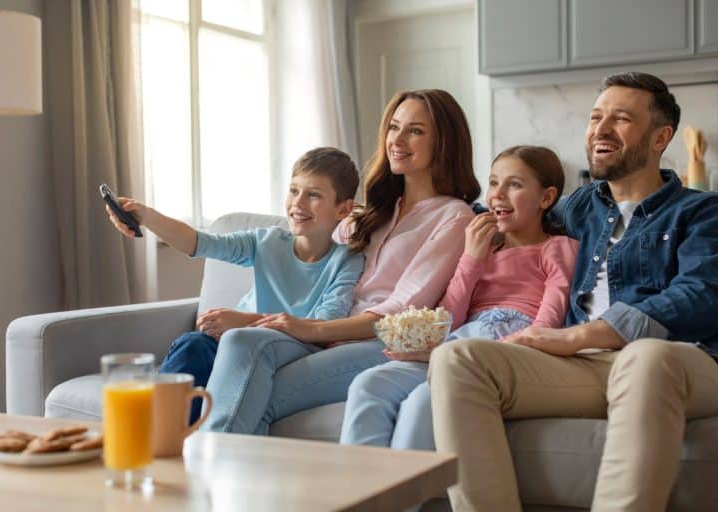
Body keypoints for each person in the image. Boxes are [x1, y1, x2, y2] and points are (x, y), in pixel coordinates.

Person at [429, 72, 718, 512]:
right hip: (584, 367)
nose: (599, 130)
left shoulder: (701, 211)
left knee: (645, 357)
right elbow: (511, 207)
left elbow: (700, 294)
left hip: (677, 360)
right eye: (595, 117)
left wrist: (581, 335)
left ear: (661, 137)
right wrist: (381, 216)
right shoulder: (581, 206)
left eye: (619, 119)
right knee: (457, 358)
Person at [202, 89, 481, 435]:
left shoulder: (453, 217)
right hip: (325, 333)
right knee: (240, 341)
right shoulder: (369, 214)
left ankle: (208, 469)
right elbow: (316, 264)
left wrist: (311, 329)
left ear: (444, 143)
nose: (397, 139)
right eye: (394, 127)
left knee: (255, 393)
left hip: (377, 343)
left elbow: (402, 309)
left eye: (416, 130)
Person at [340, 145, 578, 451]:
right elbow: (450, 316)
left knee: (423, 402)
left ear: (546, 198)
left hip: (507, 344)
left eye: (514, 185)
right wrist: (471, 258)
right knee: (368, 384)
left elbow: (546, 324)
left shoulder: (558, 248)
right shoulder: (484, 248)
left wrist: (447, 352)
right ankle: (358, 496)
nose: (498, 195)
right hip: (460, 337)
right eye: (494, 183)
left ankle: (397, 498)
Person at [106, 146, 364, 423]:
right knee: (192, 346)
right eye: (293, 190)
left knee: (210, 349)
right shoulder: (266, 241)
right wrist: (146, 216)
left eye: (313, 195)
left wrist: (246, 321)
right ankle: (159, 436)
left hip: (284, 351)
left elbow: (324, 325)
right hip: (230, 344)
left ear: (343, 209)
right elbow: (199, 242)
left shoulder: (347, 260)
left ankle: (159, 438)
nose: (297, 204)